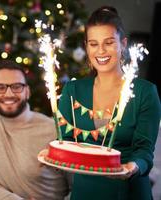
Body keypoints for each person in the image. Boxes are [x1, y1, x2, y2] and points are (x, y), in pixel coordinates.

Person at [58, 6, 161, 200]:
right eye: (94, 44)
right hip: (85, 191)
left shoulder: (145, 92)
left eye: (109, 42)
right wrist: (54, 152)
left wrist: (132, 167)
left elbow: (145, 151)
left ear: (123, 43)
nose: (101, 51)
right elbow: (65, 142)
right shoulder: (73, 91)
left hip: (128, 190)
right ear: (86, 46)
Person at [0, 60, 72, 200]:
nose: (9, 94)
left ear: (27, 92)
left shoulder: (55, 130)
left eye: (17, 86)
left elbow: (78, 188)